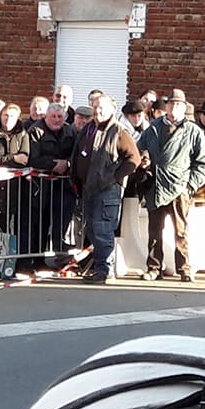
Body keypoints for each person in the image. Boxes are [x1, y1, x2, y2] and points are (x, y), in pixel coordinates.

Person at [135, 88, 205, 282]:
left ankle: (184, 268)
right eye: (171, 104)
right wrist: (143, 160)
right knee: (154, 231)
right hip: (156, 184)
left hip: (179, 188)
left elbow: (202, 163)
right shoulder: (153, 128)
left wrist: (190, 185)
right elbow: (139, 150)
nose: (174, 107)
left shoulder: (193, 131)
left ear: (184, 108)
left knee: (181, 231)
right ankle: (154, 268)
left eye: (178, 104)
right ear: (166, 106)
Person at [70, 94, 141, 283]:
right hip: (88, 188)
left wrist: (114, 178)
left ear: (112, 109)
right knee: (92, 230)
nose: (97, 111)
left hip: (107, 189)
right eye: (94, 107)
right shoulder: (89, 128)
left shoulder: (119, 132)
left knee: (103, 230)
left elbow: (133, 159)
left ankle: (106, 271)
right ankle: (100, 267)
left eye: (101, 107)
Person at [26, 101, 77, 263]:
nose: (56, 120)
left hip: (63, 187)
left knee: (61, 223)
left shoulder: (70, 131)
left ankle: (59, 258)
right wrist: (54, 165)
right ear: (46, 117)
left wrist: (67, 164)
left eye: (60, 117)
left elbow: (76, 154)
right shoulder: (35, 131)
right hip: (40, 187)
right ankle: (37, 260)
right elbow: (32, 158)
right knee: (39, 224)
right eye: (53, 116)